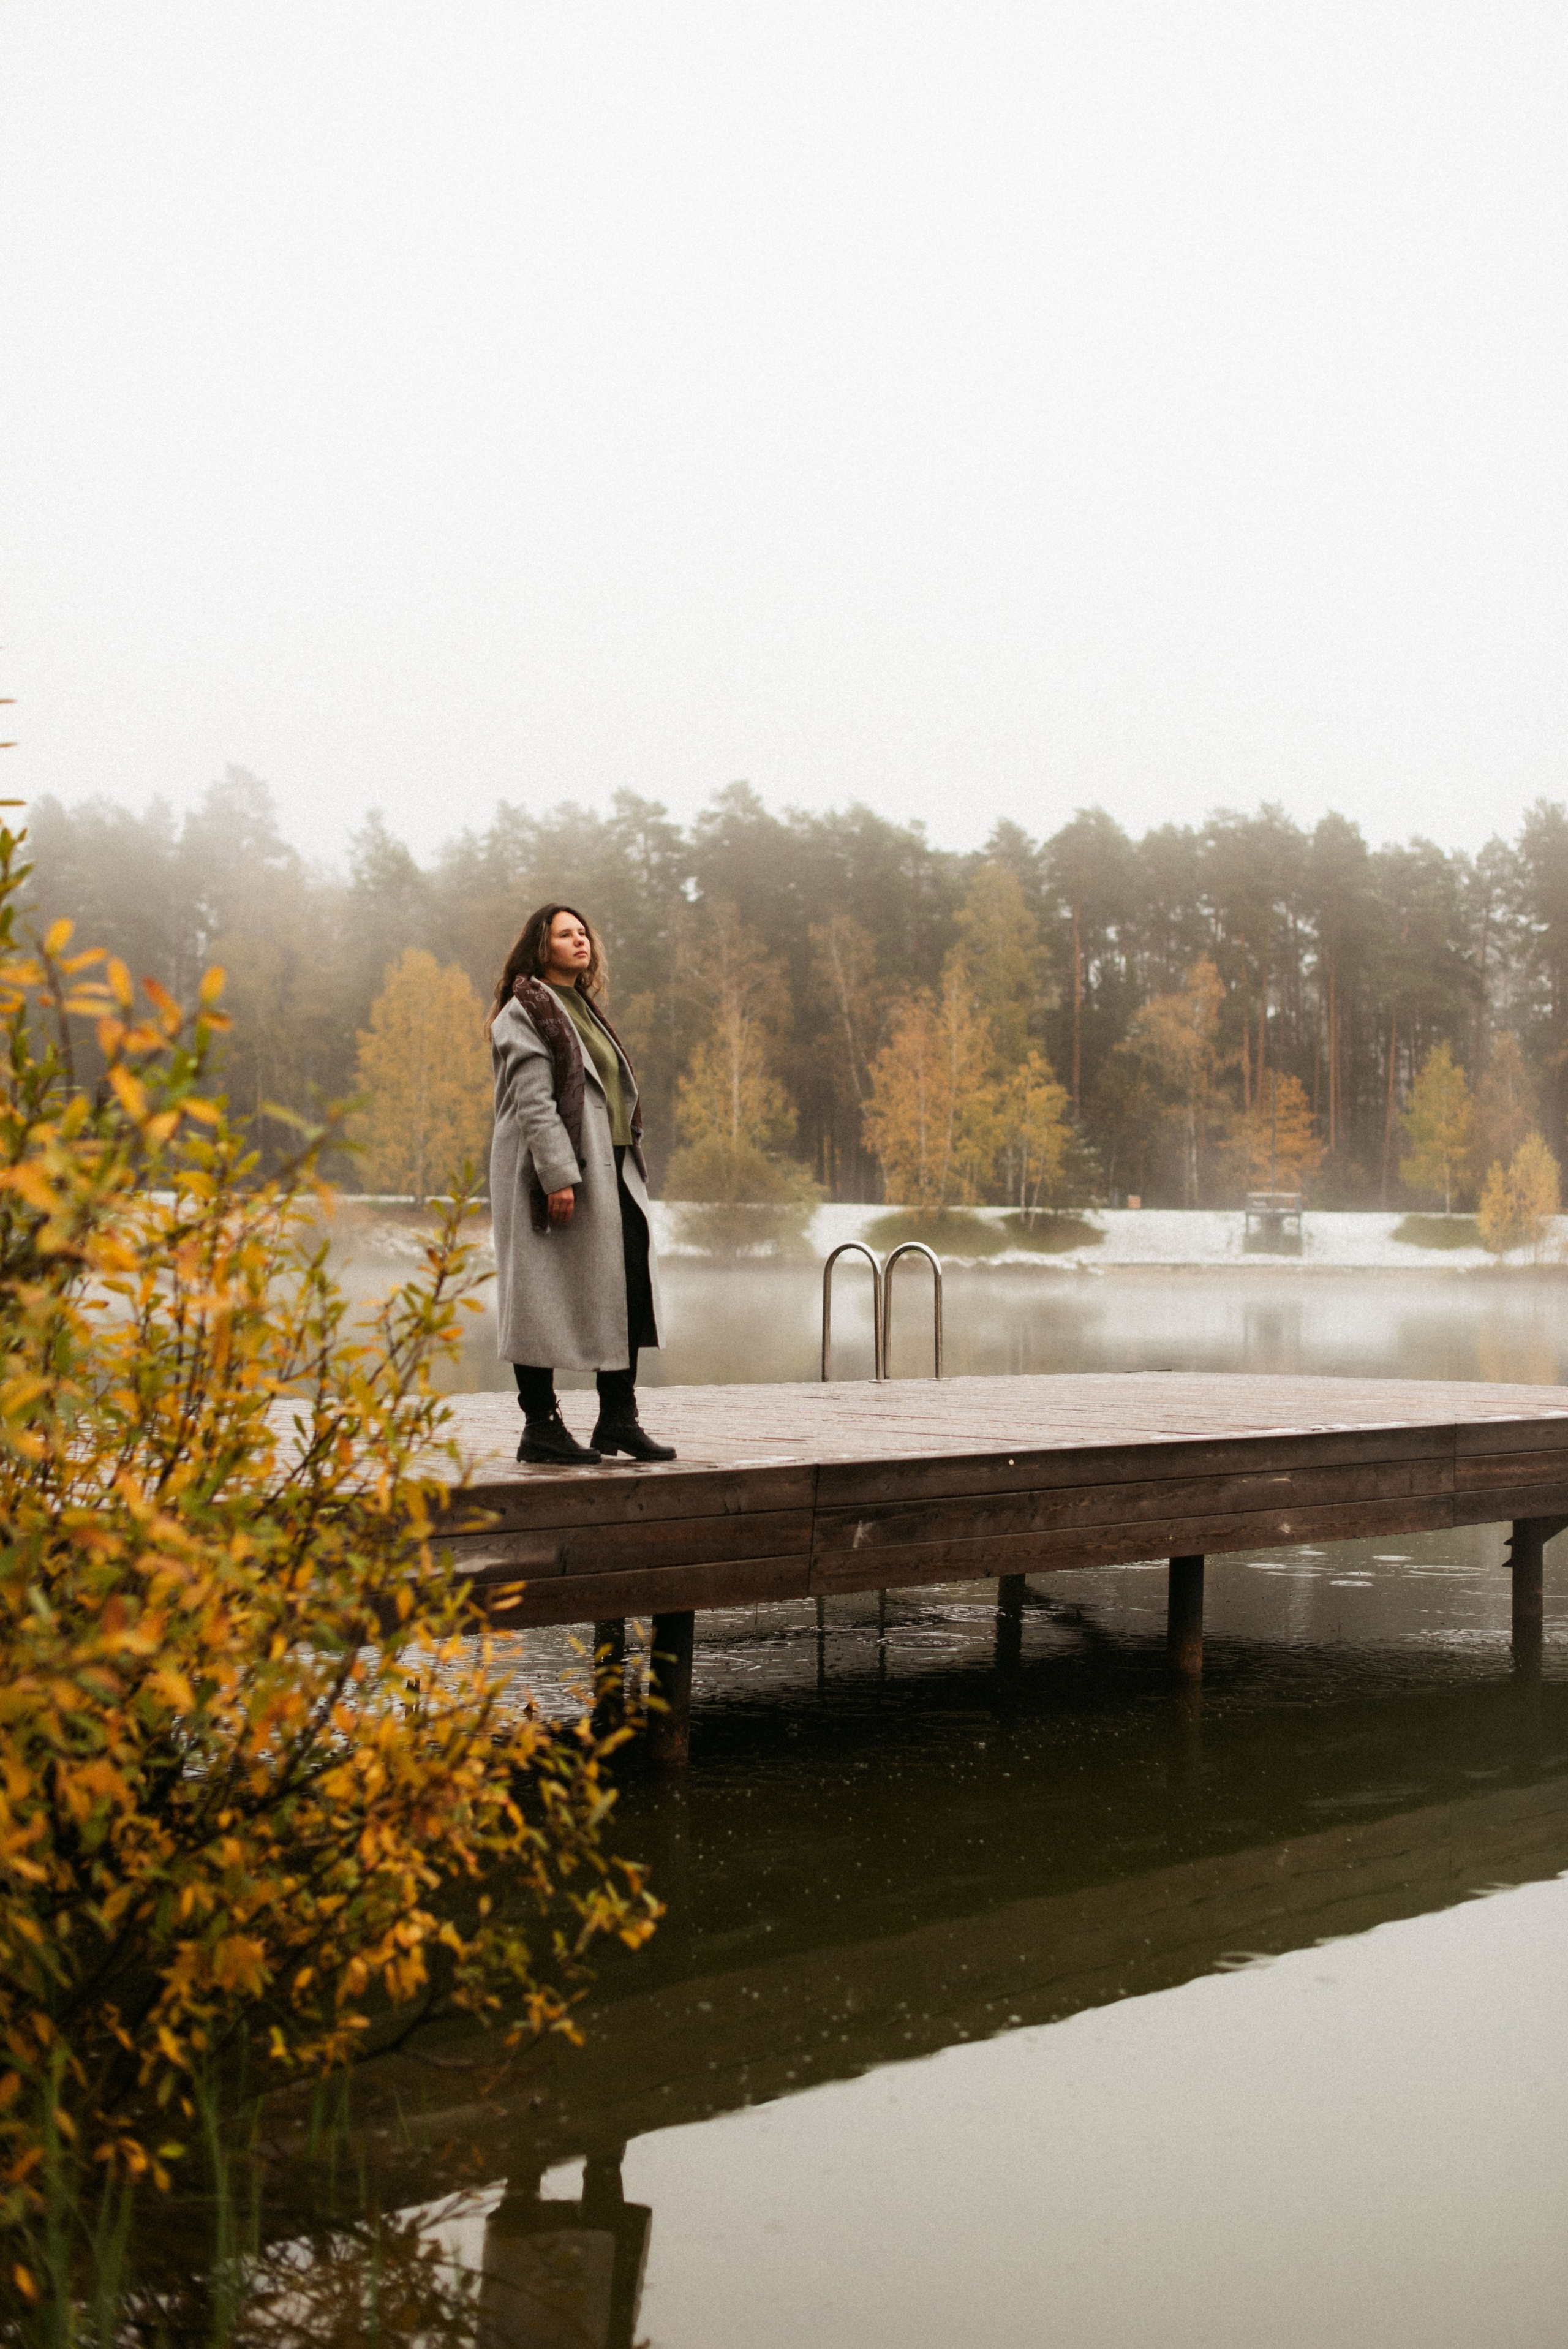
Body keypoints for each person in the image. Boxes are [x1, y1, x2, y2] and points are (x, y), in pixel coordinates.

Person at [488, 903, 676, 1465]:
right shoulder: (525, 1010)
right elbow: (533, 1100)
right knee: (538, 1297)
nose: (580, 941)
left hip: (610, 1165)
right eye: (565, 934)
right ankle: (540, 1425)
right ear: (540, 947)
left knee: (627, 1287)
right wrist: (557, 1175)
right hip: (552, 1171)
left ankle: (618, 1418)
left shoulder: (583, 1009)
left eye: (583, 933)